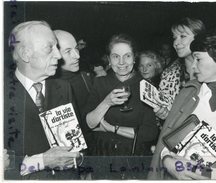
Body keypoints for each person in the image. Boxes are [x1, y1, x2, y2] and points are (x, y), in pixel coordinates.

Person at [148, 27, 216, 180]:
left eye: (198, 59)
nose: (192, 66)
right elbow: (167, 144)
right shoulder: (188, 93)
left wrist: (210, 174)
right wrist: (169, 163)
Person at [4, 21, 82, 180]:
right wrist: (42, 161)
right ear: (26, 54)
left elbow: (77, 145)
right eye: (50, 48)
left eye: (57, 47)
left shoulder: (64, 87)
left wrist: (78, 157)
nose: (59, 56)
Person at [85, 34, 159, 179]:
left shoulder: (146, 86)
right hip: (102, 155)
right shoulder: (100, 83)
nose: (121, 62)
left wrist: (112, 128)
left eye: (127, 56)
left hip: (133, 158)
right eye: (115, 56)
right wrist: (107, 102)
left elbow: (150, 133)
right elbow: (88, 124)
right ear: (108, 59)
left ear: (134, 58)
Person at [155, 17, 205, 120]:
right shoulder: (169, 74)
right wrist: (163, 115)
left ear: (199, 38)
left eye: (182, 36)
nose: (175, 43)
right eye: (174, 38)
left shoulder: (213, 70)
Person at [53, 30, 92, 141]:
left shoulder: (86, 77)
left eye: (76, 48)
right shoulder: (48, 87)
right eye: (68, 51)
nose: (77, 55)